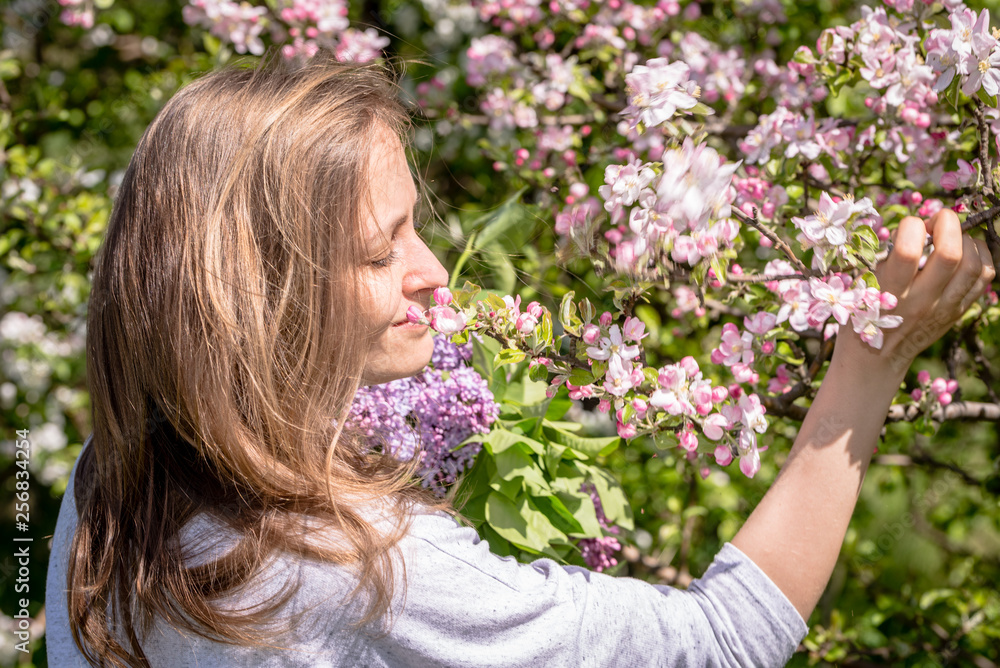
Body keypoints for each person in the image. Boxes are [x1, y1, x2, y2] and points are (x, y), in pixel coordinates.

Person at [45, 49, 995, 668]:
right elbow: (719, 643)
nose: (432, 276)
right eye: (381, 251)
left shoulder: (109, 487)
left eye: (416, 228)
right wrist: (871, 363)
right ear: (260, 299)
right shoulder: (359, 565)